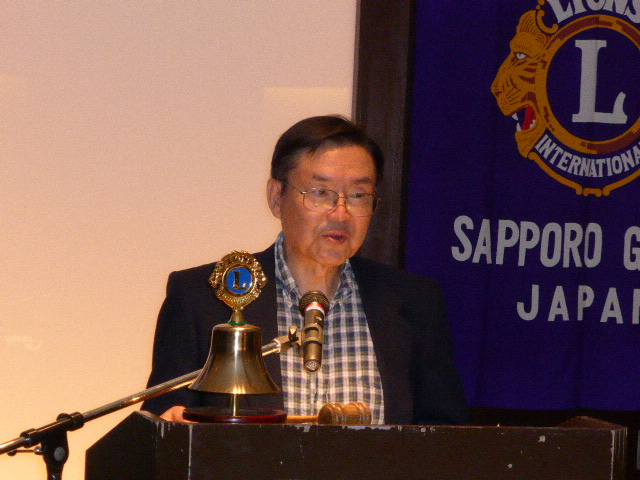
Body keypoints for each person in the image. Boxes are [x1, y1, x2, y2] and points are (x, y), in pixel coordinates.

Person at [141, 115, 469, 425]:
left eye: (358, 195)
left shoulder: (414, 302)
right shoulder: (203, 298)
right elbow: (160, 425)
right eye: (320, 193)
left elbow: (446, 436)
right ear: (276, 197)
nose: (341, 213)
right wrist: (171, 422)